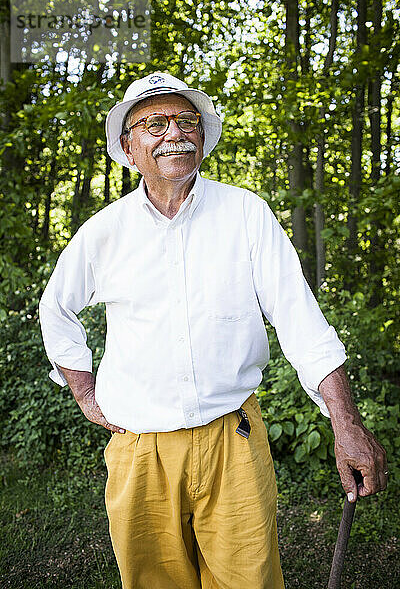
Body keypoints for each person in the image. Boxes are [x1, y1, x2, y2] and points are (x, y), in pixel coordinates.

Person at [39, 72, 388, 589]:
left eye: (186, 121)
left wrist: (345, 421)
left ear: (202, 137)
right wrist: (85, 392)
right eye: (154, 123)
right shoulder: (104, 232)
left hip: (234, 440)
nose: (173, 133)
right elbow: (55, 310)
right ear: (128, 148)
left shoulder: (246, 215)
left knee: (250, 580)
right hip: (139, 450)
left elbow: (302, 322)